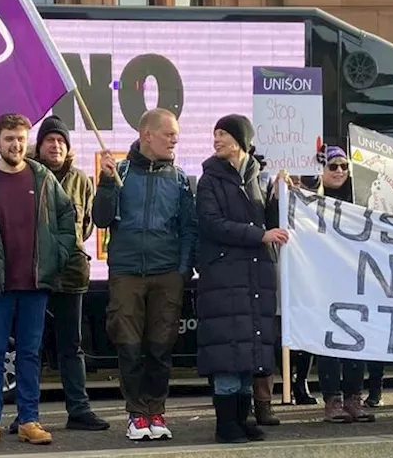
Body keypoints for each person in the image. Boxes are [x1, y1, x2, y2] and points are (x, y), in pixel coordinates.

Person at [0, 113, 77, 448]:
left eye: (21, 138)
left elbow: (68, 217)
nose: (16, 144)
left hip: (35, 283)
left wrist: (59, 254)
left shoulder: (44, 178)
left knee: (29, 354)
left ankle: (29, 420)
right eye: (9, 138)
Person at [92, 108, 198, 441]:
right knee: (130, 346)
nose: (175, 140)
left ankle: (157, 412)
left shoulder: (180, 179)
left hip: (167, 274)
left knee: (160, 347)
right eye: (169, 134)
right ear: (147, 135)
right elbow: (101, 219)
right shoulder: (120, 172)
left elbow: (188, 230)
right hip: (126, 274)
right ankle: (137, 415)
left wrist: (181, 273)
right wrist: (107, 184)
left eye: (176, 135)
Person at [17, 116, 110, 432]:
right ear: (39, 146)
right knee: (31, 345)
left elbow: (84, 227)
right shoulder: (25, 176)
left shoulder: (81, 180)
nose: (55, 146)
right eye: (49, 140)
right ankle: (26, 415)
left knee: (72, 345)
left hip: (71, 272)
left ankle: (79, 410)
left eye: (61, 141)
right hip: (32, 272)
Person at [195, 114, 283, 444]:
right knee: (227, 351)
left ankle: (243, 418)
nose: (216, 140)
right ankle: (225, 423)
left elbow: (272, 224)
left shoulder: (259, 178)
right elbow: (212, 223)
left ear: (241, 141)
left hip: (254, 274)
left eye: (223, 134)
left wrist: (278, 196)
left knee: (248, 352)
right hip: (224, 274)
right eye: (215, 134)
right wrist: (257, 235)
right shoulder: (209, 180)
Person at [307, 146, 375, 423]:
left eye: (344, 166)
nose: (339, 171)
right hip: (322, 280)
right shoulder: (307, 200)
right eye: (332, 166)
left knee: (355, 340)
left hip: (354, 279)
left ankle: (354, 399)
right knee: (330, 341)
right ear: (320, 169)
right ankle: (332, 401)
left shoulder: (359, 200)